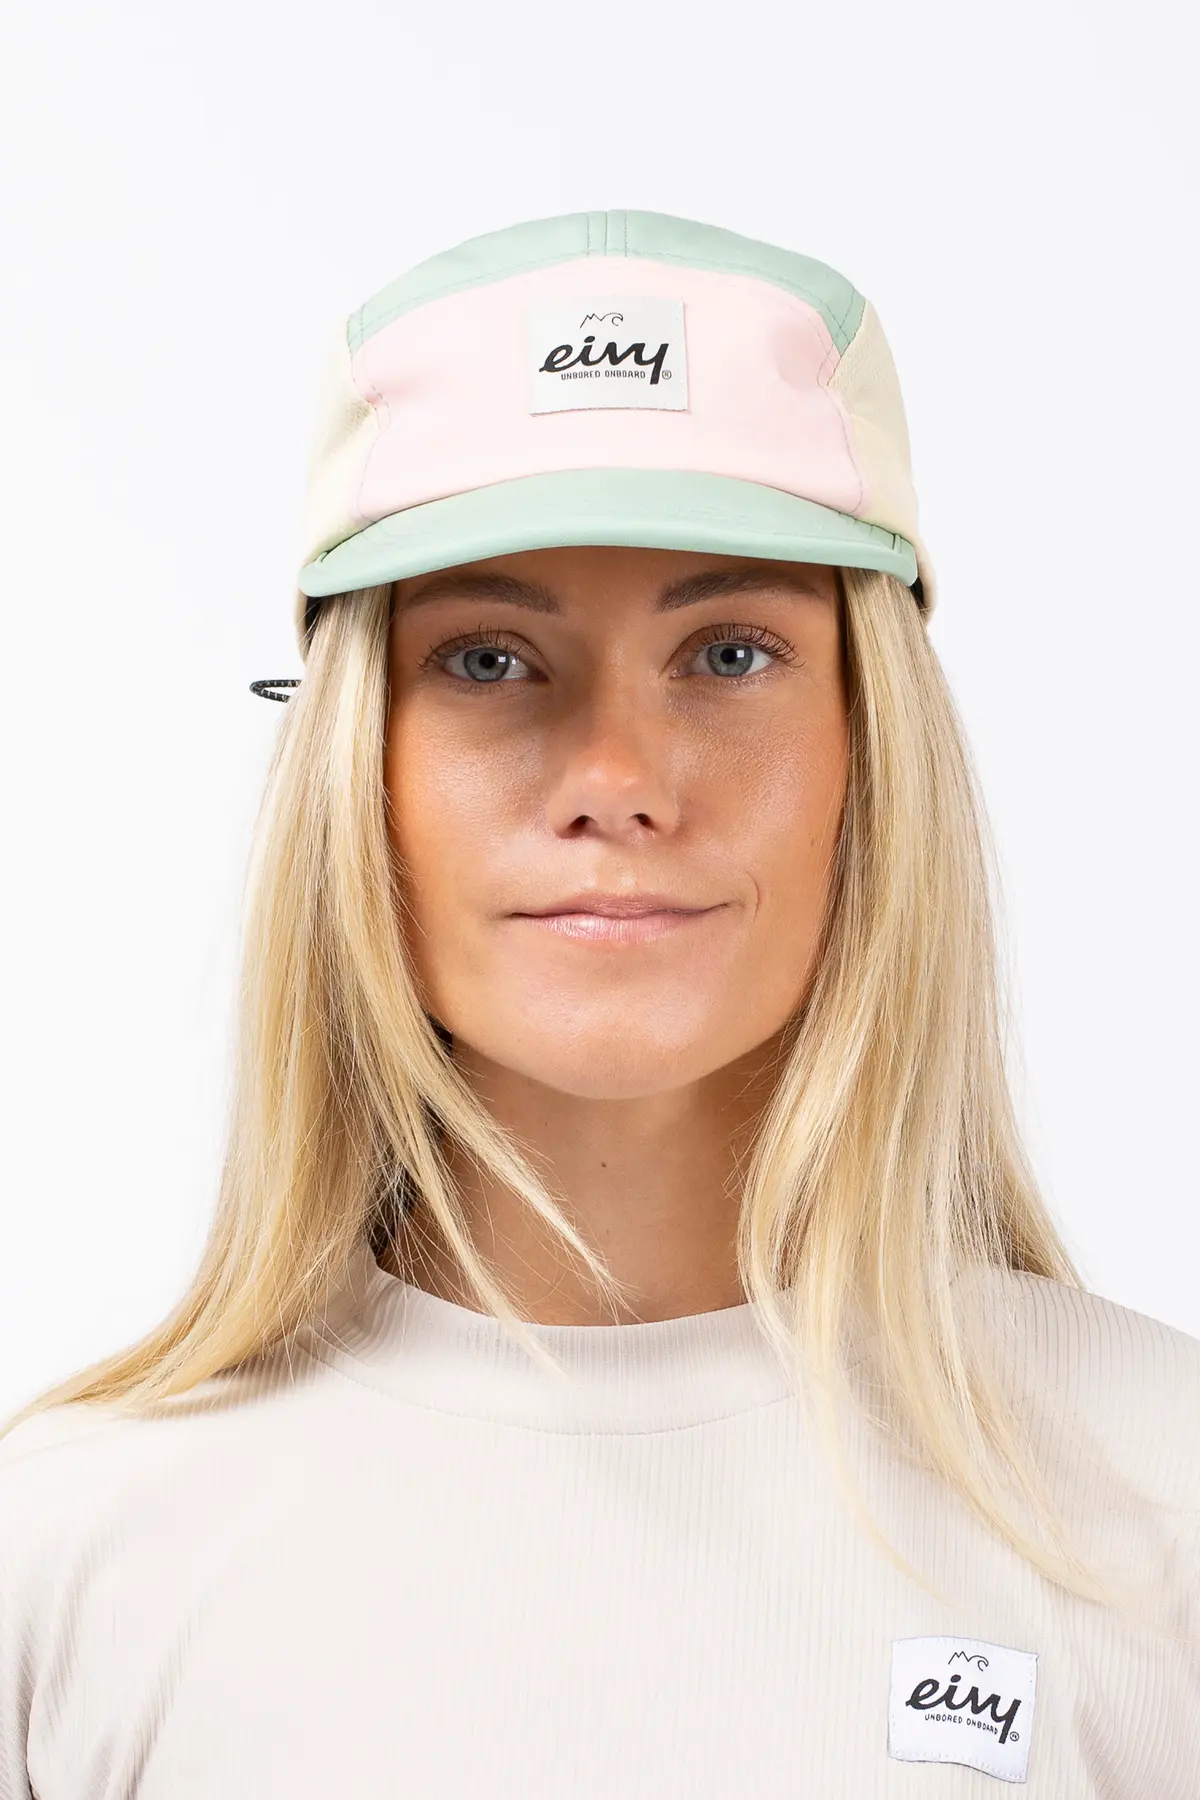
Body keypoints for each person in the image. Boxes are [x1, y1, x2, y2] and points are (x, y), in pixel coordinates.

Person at [1, 208, 1197, 1796]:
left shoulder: (1159, 1505)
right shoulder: (68, 1552)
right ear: (357, 769)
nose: (619, 780)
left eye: (730, 653)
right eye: (489, 660)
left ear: (871, 748)